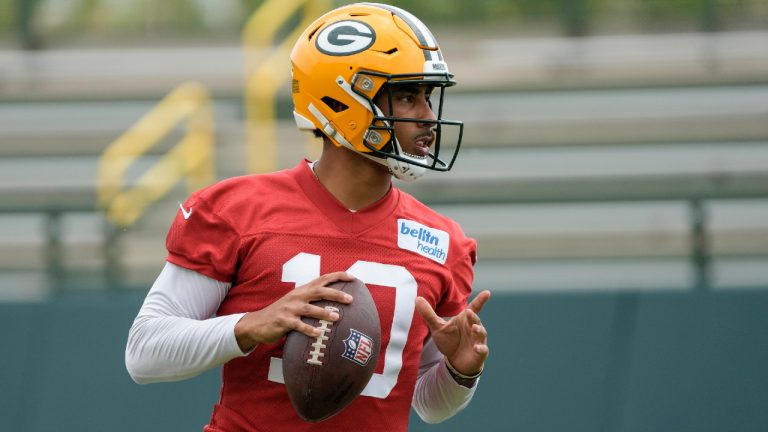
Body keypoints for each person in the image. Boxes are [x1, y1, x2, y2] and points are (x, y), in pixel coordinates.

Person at [125, 3, 490, 431]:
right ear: (344, 99)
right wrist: (250, 325)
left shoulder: (444, 241)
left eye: (427, 97)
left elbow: (427, 404)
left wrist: (460, 372)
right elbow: (144, 352)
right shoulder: (238, 210)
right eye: (408, 96)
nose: (428, 117)